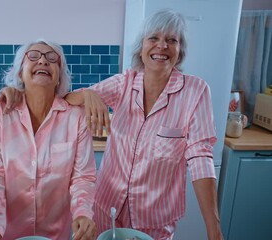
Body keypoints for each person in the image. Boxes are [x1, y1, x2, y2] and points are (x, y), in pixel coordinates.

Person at [64, 9, 223, 240]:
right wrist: (88, 93)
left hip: (154, 221)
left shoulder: (196, 92)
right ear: (142, 47)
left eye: (172, 40)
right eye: (154, 38)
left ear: (180, 51)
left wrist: (214, 229)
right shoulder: (125, 83)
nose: (162, 46)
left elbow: (201, 158)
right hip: (105, 210)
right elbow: (68, 99)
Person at [0, 39, 97, 240]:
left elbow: (83, 177)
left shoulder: (76, 117)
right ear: (20, 73)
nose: (42, 60)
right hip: (6, 233)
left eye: (52, 58)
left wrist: (83, 213)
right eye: (33, 56)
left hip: (56, 234)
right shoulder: (0, 112)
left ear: (59, 76)